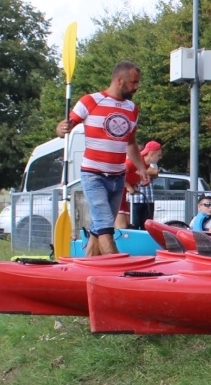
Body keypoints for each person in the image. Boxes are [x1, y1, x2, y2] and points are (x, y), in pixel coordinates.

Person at [56, 60, 148, 256]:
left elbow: (131, 143)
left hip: (118, 177)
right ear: (119, 80)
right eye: (133, 82)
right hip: (93, 175)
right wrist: (60, 129)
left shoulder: (132, 109)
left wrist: (141, 168)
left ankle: (88, 263)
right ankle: (117, 267)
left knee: (99, 227)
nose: (136, 87)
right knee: (106, 226)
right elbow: (66, 126)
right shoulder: (90, 101)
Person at [128, 140, 163, 230]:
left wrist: (140, 170)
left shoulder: (150, 162)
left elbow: (155, 172)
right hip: (135, 199)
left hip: (148, 198)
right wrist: (141, 169)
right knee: (134, 224)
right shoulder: (133, 161)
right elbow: (124, 172)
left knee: (147, 226)